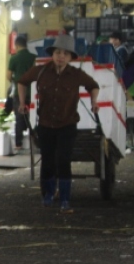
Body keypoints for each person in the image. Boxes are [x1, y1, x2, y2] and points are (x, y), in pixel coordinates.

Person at [16, 34, 99, 214]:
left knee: (63, 161)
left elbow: (93, 85)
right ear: (52, 54)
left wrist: (94, 101)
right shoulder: (41, 71)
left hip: (67, 125)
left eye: (65, 54)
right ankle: (47, 196)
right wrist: (23, 103)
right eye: (58, 52)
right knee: (47, 162)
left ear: (70, 58)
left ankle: (65, 200)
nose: (61, 56)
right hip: (45, 124)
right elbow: (21, 82)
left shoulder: (76, 74)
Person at [5, 35, 36, 151]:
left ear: (16, 45)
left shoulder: (14, 58)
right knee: (32, 117)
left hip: (19, 92)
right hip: (32, 92)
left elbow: (8, 76)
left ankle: (18, 143)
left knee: (19, 117)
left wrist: (14, 80)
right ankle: (34, 142)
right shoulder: (33, 57)